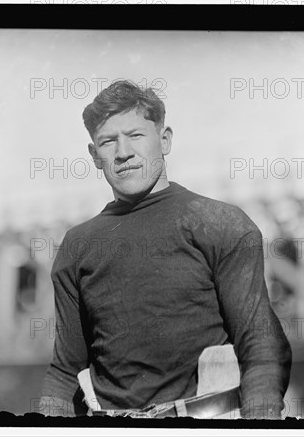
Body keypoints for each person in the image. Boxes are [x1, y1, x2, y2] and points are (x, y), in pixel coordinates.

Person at [38, 80, 291, 418]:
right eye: (108, 141)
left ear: (165, 139)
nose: (123, 152)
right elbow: (65, 371)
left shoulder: (219, 223)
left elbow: (261, 347)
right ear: (94, 156)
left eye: (136, 135)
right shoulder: (78, 245)